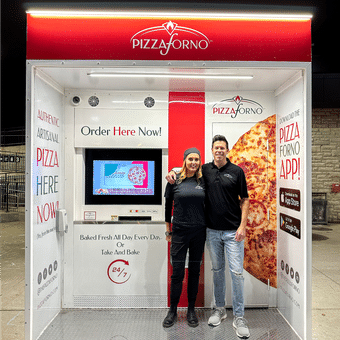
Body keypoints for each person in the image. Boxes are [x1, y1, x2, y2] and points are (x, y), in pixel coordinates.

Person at [166, 135, 250, 339]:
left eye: (222, 147)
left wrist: (242, 226)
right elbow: (183, 175)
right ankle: (216, 310)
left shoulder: (236, 172)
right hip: (209, 231)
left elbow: (245, 200)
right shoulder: (203, 171)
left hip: (229, 232)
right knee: (215, 271)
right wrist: (172, 172)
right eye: (216, 148)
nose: (219, 150)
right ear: (212, 150)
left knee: (236, 273)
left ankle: (238, 317)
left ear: (227, 150)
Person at [162, 148, 206, 328]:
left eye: (196, 159)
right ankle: (172, 310)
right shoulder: (174, 180)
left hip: (198, 233)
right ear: (185, 161)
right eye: (190, 159)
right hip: (179, 232)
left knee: (194, 272)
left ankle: (191, 310)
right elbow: (167, 206)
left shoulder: (204, 180)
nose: (193, 162)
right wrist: (168, 229)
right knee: (177, 273)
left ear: (200, 161)